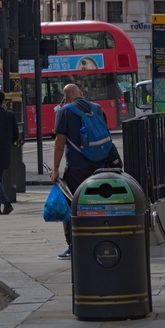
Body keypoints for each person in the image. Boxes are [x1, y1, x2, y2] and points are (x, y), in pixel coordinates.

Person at [52, 83, 121, 259]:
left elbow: (60, 142)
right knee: (98, 205)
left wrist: (55, 169)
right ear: (81, 93)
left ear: (65, 98)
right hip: (100, 167)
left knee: (72, 207)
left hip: (76, 169)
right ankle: (101, 243)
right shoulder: (97, 109)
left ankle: (73, 247)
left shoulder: (64, 112)